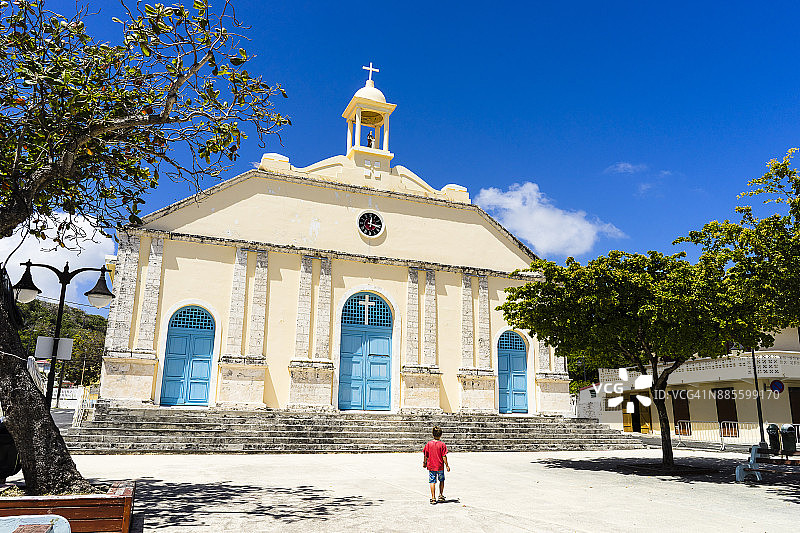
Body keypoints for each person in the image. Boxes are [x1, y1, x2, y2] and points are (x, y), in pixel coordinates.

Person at [423, 425, 450, 504]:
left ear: (432, 434)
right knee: (441, 480)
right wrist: (447, 465)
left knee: (432, 481)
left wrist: (424, 463)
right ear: (441, 435)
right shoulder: (442, 445)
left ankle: (433, 497)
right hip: (440, 466)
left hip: (431, 466)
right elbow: (444, 456)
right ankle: (441, 495)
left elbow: (426, 454)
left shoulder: (429, 444)